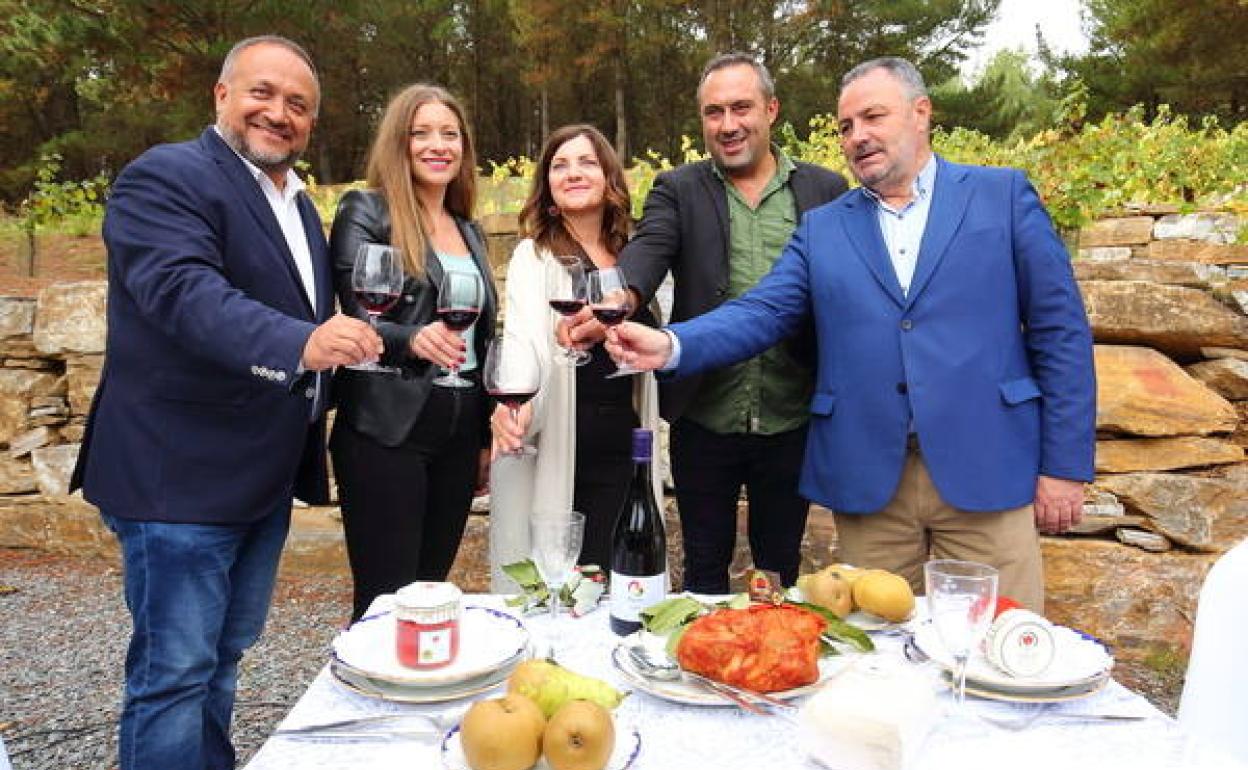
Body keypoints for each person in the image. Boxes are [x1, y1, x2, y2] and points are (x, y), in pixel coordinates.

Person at [607, 56, 1096, 611]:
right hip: (873, 489)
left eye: (872, 117)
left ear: (921, 113)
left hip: (986, 472)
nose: (857, 137)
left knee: (998, 656)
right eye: (845, 127)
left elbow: (1060, 333)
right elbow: (762, 311)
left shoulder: (1001, 197)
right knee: (878, 664)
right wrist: (671, 345)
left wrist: (1063, 465)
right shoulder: (826, 226)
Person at [68, 36, 381, 770]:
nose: (279, 113)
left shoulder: (300, 207)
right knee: (173, 676)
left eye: (298, 104)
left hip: (257, 478)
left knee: (223, 658)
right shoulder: (165, 177)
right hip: (176, 477)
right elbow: (183, 294)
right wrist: (304, 343)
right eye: (261, 93)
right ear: (220, 95)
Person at [566, 53, 847, 594]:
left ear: (771, 109)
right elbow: (650, 249)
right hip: (705, 415)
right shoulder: (679, 188)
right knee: (703, 569)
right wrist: (620, 295)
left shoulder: (824, 190)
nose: (728, 124)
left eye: (741, 107)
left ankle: (767, 661)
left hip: (792, 414)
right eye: (713, 112)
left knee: (779, 569)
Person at [328, 84, 498, 622]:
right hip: (387, 427)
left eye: (450, 134)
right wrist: (412, 338)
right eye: (421, 133)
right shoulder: (367, 209)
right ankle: (369, 702)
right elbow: (358, 310)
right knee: (384, 600)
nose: (437, 145)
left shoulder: (468, 229)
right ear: (398, 143)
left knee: (430, 592)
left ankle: (419, 700)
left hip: (460, 422)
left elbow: (482, 338)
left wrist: (486, 434)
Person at [488, 125, 663, 590]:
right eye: (559, 166)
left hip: (622, 445)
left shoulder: (635, 257)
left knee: (614, 584)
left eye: (587, 162)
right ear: (547, 186)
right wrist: (516, 408)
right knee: (553, 585)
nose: (573, 173)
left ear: (609, 177)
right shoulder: (534, 255)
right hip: (559, 443)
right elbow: (522, 341)